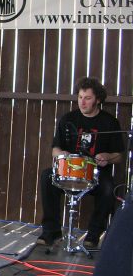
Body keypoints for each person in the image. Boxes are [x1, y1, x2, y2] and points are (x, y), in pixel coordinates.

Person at [37, 77, 124, 248]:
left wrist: (107, 156)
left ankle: (93, 235)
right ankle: (51, 233)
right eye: (80, 97)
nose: (82, 102)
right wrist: (61, 153)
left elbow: (119, 156)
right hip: (69, 171)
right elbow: (55, 149)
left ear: (98, 100)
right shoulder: (68, 119)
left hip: (95, 174)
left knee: (108, 188)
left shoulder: (109, 122)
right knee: (47, 176)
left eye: (87, 98)